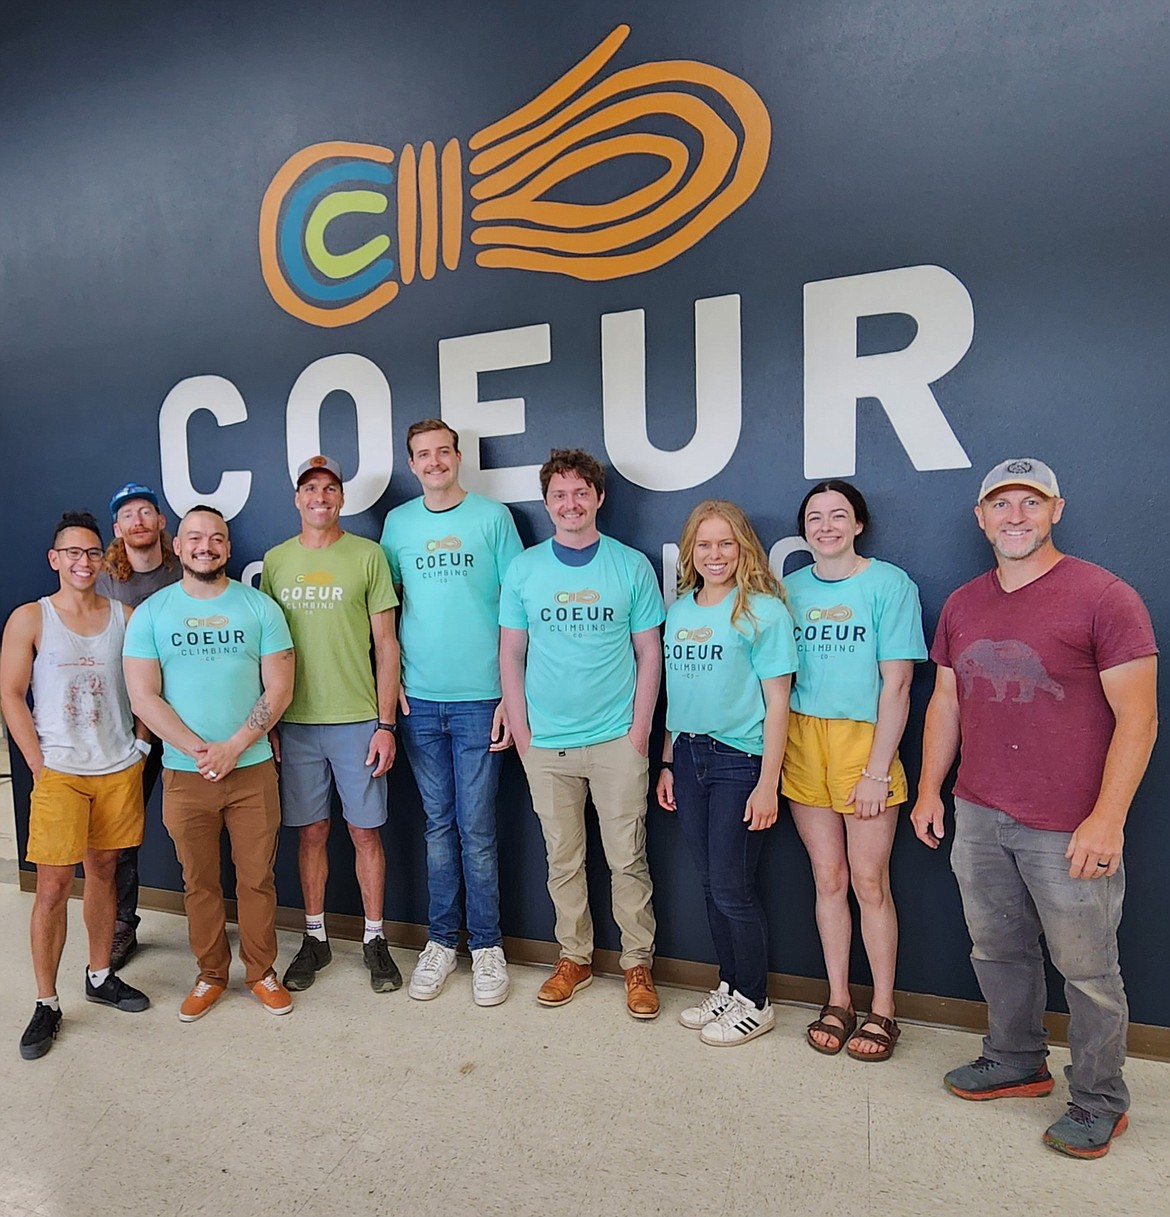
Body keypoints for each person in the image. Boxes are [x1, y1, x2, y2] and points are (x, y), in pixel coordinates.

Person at [911, 458, 1157, 1159]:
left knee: (1086, 968)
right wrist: (932, 788)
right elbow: (949, 702)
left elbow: (1138, 720)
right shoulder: (962, 603)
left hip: (1069, 823)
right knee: (996, 949)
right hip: (980, 812)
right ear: (979, 516)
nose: (1014, 516)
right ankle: (1015, 1058)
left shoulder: (1105, 597)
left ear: (1056, 509)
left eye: (1030, 502)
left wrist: (1107, 818)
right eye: (1000, 504)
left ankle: (1100, 1099)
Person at [499, 448, 665, 1018]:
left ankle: (637, 964)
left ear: (598, 497)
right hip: (546, 745)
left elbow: (649, 654)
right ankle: (575, 957)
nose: (570, 504)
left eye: (579, 493)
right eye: (558, 496)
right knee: (562, 860)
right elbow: (511, 654)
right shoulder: (524, 570)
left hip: (618, 741)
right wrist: (522, 733)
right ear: (547, 504)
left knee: (628, 858)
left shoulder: (631, 566)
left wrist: (640, 730)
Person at [123, 505, 296, 1021]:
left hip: (252, 768)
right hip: (184, 772)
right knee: (199, 882)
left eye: (216, 538)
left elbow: (280, 687)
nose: (206, 546)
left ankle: (262, 972)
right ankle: (211, 974)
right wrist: (201, 749)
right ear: (177, 545)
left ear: (227, 546)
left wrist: (234, 745)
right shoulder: (152, 613)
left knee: (256, 879)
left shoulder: (261, 608)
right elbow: (143, 697)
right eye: (195, 537)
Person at [782, 481, 926, 1061]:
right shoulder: (787, 589)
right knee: (828, 878)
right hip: (802, 738)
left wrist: (875, 769)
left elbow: (899, 684)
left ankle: (884, 1009)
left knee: (870, 882)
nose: (826, 526)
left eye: (838, 515)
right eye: (815, 517)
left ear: (858, 524)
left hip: (864, 744)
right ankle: (838, 998)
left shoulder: (889, 584)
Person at [379, 420, 522, 1006]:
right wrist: (390, 690)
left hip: (482, 700)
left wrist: (513, 700)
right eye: (422, 455)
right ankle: (441, 942)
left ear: (459, 458)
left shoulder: (492, 519)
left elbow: (519, 609)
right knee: (438, 827)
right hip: (420, 702)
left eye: (443, 451)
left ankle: (487, 947)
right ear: (411, 465)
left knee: (478, 830)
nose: (434, 461)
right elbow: (383, 614)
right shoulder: (398, 524)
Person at [1, 511, 151, 1060]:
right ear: (54, 559)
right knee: (52, 888)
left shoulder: (125, 616)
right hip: (61, 773)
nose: (83, 562)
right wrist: (38, 764)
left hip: (117, 768)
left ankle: (100, 973)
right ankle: (46, 1001)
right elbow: (11, 694)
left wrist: (140, 745)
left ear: (102, 559)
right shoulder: (30, 619)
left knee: (106, 871)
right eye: (72, 553)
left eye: (92, 553)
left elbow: (145, 687)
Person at [261, 456, 404, 995]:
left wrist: (385, 723)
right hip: (296, 723)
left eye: (329, 488)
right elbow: (265, 649)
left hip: (357, 721)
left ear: (341, 499)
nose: (320, 496)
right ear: (297, 499)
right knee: (311, 832)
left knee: (365, 831)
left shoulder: (367, 556)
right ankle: (315, 937)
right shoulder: (276, 561)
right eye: (309, 488)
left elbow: (387, 645)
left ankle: (374, 938)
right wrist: (268, 720)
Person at [656, 501, 796, 1046]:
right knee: (712, 885)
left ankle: (756, 1002)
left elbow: (778, 705)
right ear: (691, 550)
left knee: (735, 888)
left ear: (743, 549)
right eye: (705, 544)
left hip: (740, 761)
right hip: (688, 757)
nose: (716, 555)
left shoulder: (764, 611)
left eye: (726, 544)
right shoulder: (681, 611)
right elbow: (678, 694)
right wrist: (668, 760)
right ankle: (731, 986)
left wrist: (769, 781)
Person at [95, 481, 181, 970]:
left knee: (204, 822)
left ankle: (213, 922)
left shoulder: (187, 568)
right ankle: (123, 924)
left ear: (161, 522)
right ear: (117, 529)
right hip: (128, 730)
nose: (138, 521)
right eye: (128, 515)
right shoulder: (103, 580)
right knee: (123, 832)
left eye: (146, 511)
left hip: (188, 721)